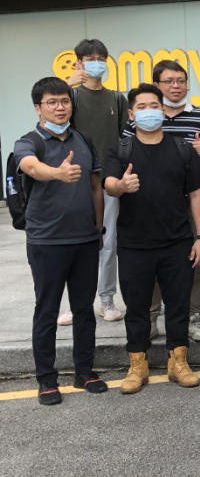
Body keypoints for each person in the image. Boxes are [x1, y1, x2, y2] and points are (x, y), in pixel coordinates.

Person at [103, 83, 200, 394]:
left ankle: (178, 362)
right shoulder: (120, 150)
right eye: (142, 107)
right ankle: (138, 365)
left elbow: (196, 195)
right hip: (134, 244)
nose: (149, 112)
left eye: (154, 106)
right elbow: (109, 185)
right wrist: (122, 186)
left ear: (163, 110)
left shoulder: (183, 149)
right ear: (132, 114)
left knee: (178, 305)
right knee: (136, 308)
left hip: (178, 242)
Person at [15, 77, 107, 405]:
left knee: (84, 309)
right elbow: (30, 167)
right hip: (47, 242)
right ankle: (46, 379)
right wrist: (56, 172)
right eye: (51, 102)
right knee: (47, 310)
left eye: (65, 101)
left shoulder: (83, 139)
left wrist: (98, 229)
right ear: (38, 108)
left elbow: (95, 187)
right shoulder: (29, 142)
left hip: (85, 240)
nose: (59, 107)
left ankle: (85, 372)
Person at [123, 60, 200, 343]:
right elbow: (126, 157)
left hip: (194, 202)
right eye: (168, 81)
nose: (176, 86)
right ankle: (151, 317)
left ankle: (193, 316)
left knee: (195, 262)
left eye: (181, 80)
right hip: (148, 205)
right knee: (150, 265)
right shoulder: (141, 117)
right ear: (157, 85)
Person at [60, 39, 129, 326]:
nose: (97, 63)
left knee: (108, 242)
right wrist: (66, 86)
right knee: (75, 243)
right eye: (90, 59)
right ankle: (76, 304)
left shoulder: (117, 99)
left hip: (108, 180)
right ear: (79, 63)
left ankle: (107, 299)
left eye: (101, 58)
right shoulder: (71, 97)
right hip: (76, 180)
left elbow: (125, 139)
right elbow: (54, 123)